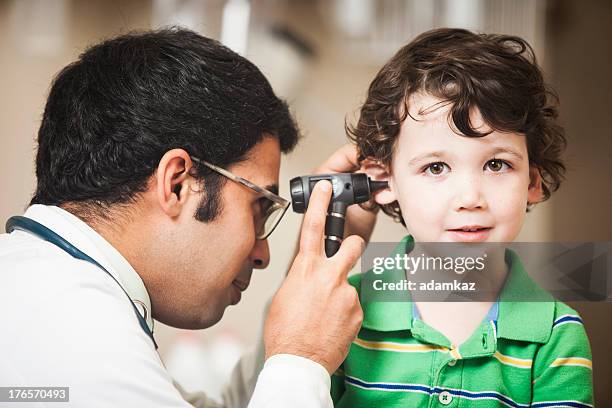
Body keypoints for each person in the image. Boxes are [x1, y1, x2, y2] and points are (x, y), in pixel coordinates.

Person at [0, 27, 369, 407]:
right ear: (177, 183)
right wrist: (302, 358)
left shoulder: (41, 289)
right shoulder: (73, 333)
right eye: (259, 207)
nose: (263, 254)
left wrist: (302, 317)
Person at [330, 28, 594, 407]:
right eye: (436, 167)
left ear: (533, 182)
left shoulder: (556, 335)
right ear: (383, 181)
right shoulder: (344, 310)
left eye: (497, 164)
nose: (470, 198)